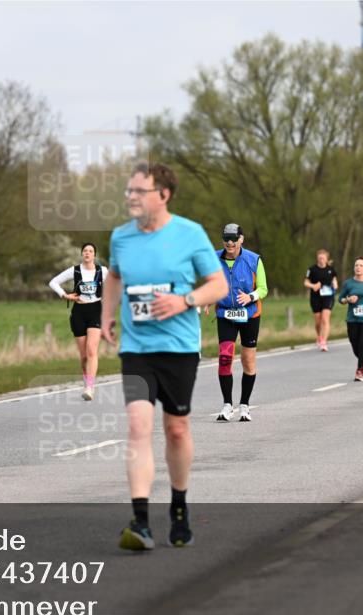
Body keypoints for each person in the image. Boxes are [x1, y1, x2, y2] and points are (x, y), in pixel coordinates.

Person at [100, 162, 227, 551]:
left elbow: (218, 285)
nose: (131, 198)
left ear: (163, 195)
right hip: (136, 348)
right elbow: (115, 275)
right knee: (139, 425)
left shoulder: (190, 234)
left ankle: (178, 506)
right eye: (129, 191)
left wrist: (184, 300)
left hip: (178, 347)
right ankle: (140, 521)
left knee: (176, 429)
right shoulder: (121, 237)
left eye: (139, 191)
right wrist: (107, 315)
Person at [209, 224, 268, 422]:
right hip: (226, 314)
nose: (230, 242)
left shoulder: (254, 260)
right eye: (226, 238)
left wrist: (250, 297)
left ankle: (244, 405)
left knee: (248, 360)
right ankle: (227, 405)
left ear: (241, 239)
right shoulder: (215, 259)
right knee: (225, 358)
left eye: (234, 238)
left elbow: (263, 289)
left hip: (249, 315)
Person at [48, 243, 110, 400]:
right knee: (83, 356)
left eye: (90, 251)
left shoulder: (102, 271)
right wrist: (65, 295)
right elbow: (53, 282)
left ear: (94, 255)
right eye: (85, 251)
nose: (87, 253)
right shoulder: (74, 270)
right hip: (79, 312)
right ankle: (87, 381)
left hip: (96, 310)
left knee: (91, 350)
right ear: (82, 254)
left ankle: (90, 387)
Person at [304, 249, 338, 352]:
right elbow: (305, 282)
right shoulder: (312, 269)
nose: (321, 260)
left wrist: (335, 285)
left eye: (323, 258)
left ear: (326, 259)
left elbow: (335, 282)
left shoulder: (331, 270)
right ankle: (319, 336)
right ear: (317, 258)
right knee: (318, 320)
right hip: (315, 297)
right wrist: (313, 285)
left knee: (325, 318)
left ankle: (324, 341)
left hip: (328, 296)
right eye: (319, 258)